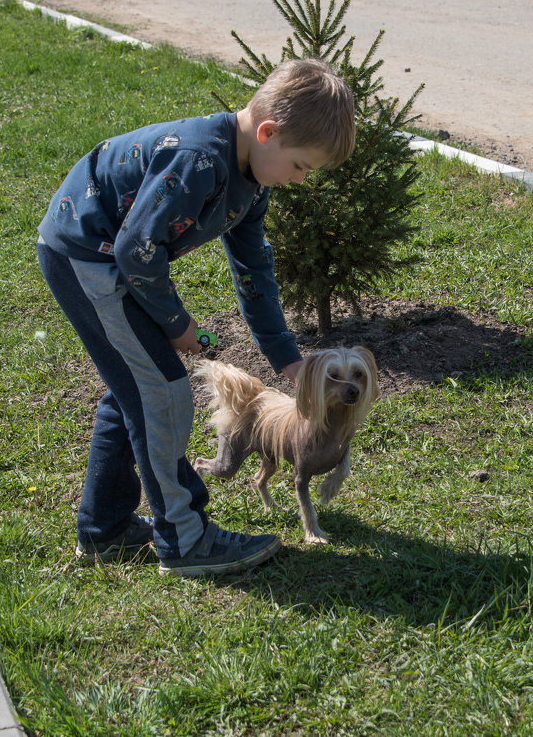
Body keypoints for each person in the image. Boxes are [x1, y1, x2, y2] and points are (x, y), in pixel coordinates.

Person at [36, 59, 356, 576]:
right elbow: (136, 248)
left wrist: (288, 360)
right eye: (301, 166)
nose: (298, 179)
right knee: (162, 393)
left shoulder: (252, 179)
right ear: (269, 133)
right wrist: (177, 324)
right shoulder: (200, 161)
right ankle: (185, 540)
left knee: (134, 391)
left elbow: (254, 270)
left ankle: (105, 530)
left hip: (115, 259)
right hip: (87, 257)